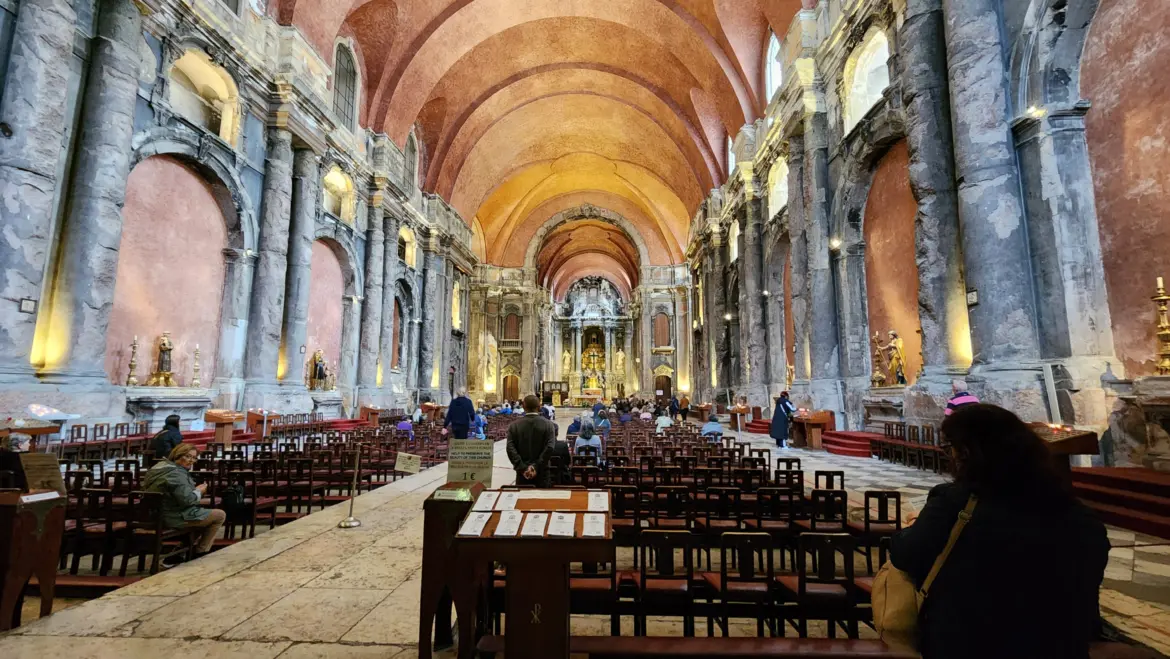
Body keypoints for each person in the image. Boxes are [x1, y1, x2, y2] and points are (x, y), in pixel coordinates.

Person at [889, 404, 1109, 659]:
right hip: (1057, 647)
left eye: (950, 448)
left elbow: (906, 555)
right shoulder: (1081, 517)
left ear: (967, 453)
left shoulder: (955, 503)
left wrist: (912, 529)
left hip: (970, 643)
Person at [143, 443, 225, 565]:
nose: (191, 461)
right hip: (172, 516)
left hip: (155, 515)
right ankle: (200, 553)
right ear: (177, 455)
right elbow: (188, 500)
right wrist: (199, 491)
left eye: (194, 458)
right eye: (187, 456)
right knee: (219, 515)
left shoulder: (159, 467)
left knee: (203, 516)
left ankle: (177, 555)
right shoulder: (176, 474)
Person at [505, 395, 557, 487]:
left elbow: (510, 448)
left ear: (523, 407)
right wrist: (536, 467)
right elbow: (550, 447)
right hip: (542, 472)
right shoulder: (549, 425)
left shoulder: (514, 426)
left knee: (522, 495)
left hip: (522, 474)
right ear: (539, 407)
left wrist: (522, 467)